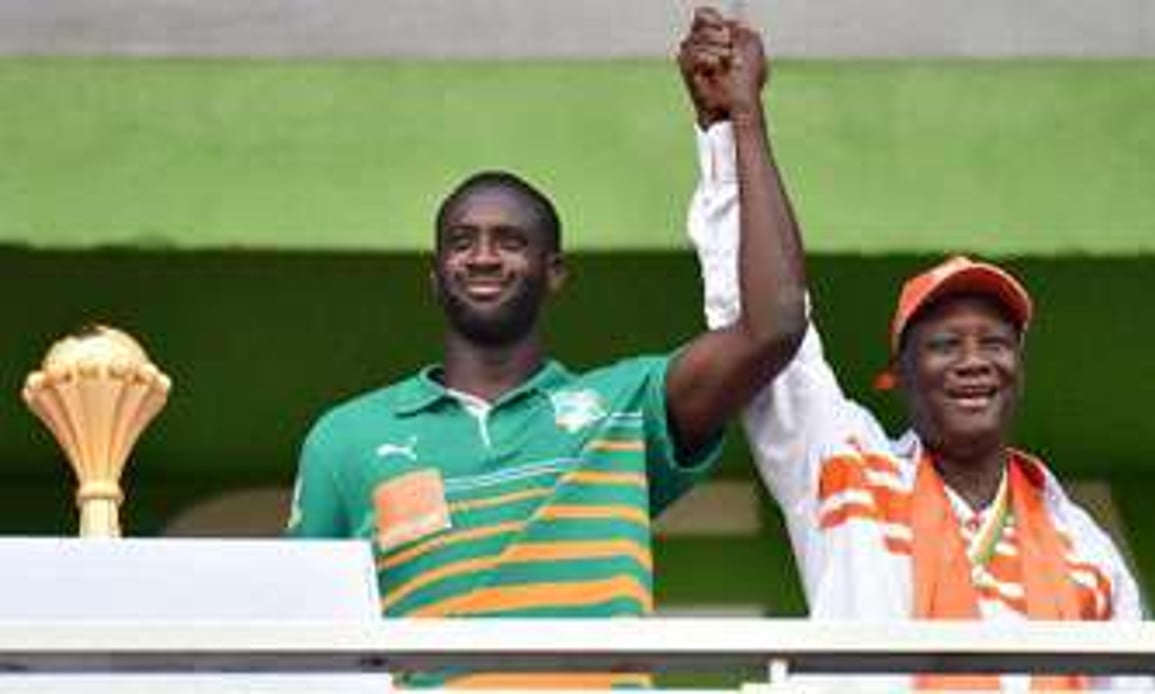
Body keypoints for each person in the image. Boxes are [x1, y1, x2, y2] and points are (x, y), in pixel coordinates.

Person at [286, 13, 806, 689]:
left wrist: (739, 121)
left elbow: (773, 326)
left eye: (509, 240)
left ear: (554, 272)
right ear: (434, 273)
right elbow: (297, 648)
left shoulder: (622, 407)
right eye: (461, 241)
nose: (481, 257)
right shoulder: (346, 438)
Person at [680, 10, 1146, 691]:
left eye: (993, 342)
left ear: (1016, 371)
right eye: (942, 345)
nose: (972, 360)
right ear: (896, 376)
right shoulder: (847, 469)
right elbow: (759, 312)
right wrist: (732, 124)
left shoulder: (1083, 547)